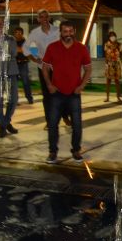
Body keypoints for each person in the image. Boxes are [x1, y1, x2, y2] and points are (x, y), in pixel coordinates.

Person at [42, 21, 92, 164]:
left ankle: (76, 150)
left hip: (74, 94)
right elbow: (44, 67)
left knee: (77, 124)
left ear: (74, 31)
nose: (68, 34)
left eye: (71, 31)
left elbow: (88, 69)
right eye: (65, 31)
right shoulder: (52, 48)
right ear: (61, 32)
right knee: (53, 124)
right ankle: (52, 152)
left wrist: (81, 86)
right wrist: (49, 84)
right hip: (56, 93)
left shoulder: (81, 48)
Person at [26, 9, 60, 122]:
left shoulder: (57, 31)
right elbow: (26, 48)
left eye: (46, 17)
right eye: (42, 17)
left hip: (58, 68)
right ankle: (49, 121)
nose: (44, 19)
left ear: (49, 18)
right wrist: (35, 59)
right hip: (43, 68)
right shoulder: (35, 33)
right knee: (47, 96)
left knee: (61, 93)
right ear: (38, 19)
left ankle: (64, 116)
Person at [13, 27, 34, 104]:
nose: (18, 34)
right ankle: (15, 99)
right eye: (16, 33)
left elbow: (25, 50)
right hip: (14, 64)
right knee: (14, 83)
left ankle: (29, 98)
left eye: (19, 33)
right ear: (14, 34)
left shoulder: (26, 41)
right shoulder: (12, 41)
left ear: (22, 33)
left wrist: (18, 49)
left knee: (26, 82)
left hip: (23, 63)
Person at [104, 31, 122, 103]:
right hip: (109, 64)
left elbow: (121, 54)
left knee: (117, 81)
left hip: (116, 64)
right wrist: (106, 64)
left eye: (113, 35)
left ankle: (118, 97)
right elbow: (106, 54)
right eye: (111, 36)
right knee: (108, 81)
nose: (112, 37)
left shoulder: (119, 44)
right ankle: (107, 97)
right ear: (109, 37)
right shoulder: (106, 44)